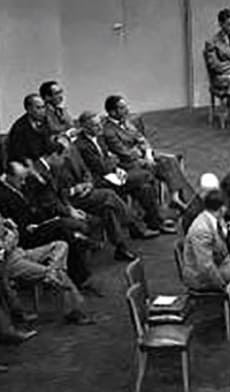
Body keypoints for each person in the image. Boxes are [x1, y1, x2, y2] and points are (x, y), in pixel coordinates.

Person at [62, 115, 155, 258]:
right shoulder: (78, 148)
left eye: (100, 124)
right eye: (95, 125)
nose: (100, 127)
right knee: (112, 193)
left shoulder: (89, 143)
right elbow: (99, 166)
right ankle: (134, 224)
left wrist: (89, 183)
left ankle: (121, 248)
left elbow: (88, 170)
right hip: (83, 193)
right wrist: (77, 189)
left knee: (110, 207)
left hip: (94, 184)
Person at [4, 153, 93, 287]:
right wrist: (28, 226)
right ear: (9, 177)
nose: (23, 183)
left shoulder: (21, 184)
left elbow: (35, 205)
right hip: (24, 236)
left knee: (63, 230)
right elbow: (12, 222)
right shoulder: (3, 195)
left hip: (35, 224)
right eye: (20, 179)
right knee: (62, 229)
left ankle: (78, 274)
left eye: (24, 179)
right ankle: (78, 276)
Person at [101, 95, 195, 208]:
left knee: (171, 160)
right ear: (112, 112)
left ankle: (175, 196)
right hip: (130, 163)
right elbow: (124, 152)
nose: (127, 110)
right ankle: (177, 197)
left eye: (126, 106)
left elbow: (141, 138)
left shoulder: (126, 122)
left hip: (144, 155)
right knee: (167, 165)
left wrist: (148, 153)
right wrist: (143, 156)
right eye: (122, 108)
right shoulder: (109, 131)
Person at [2, 214, 93, 325]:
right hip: (9, 263)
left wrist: (12, 233)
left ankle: (52, 273)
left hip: (19, 252)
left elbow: (15, 238)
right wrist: (10, 237)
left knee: (61, 245)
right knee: (58, 273)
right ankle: (73, 311)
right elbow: (5, 249)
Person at [181, 190, 230, 292]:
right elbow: (206, 267)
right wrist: (222, 287)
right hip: (202, 278)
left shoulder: (215, 219)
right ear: (222, 208)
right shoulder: (202, 230)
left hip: (221, 264)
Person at [6, 93, 56, 165]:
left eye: (43, 107)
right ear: (29, 109)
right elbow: (20, 155)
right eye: (38, 108)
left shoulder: (46, 121)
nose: (43, 111)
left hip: (45, 160)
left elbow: (49, 145)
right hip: (25, 164)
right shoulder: (20, 128)